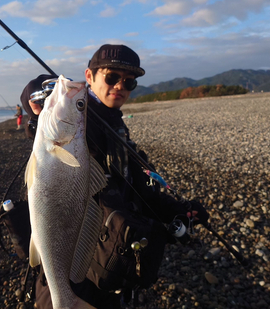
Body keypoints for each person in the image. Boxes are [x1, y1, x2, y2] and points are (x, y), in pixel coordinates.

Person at [20, 44, 209, 308]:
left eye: (129, 82)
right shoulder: (83, 122)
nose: (120, 86)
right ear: (89, 77)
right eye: (111, 77)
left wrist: (175, 210)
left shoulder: (117, 128)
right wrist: (39, 98)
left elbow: (137, 190)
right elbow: (35, 102)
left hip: (110, 267)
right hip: (75, 267)